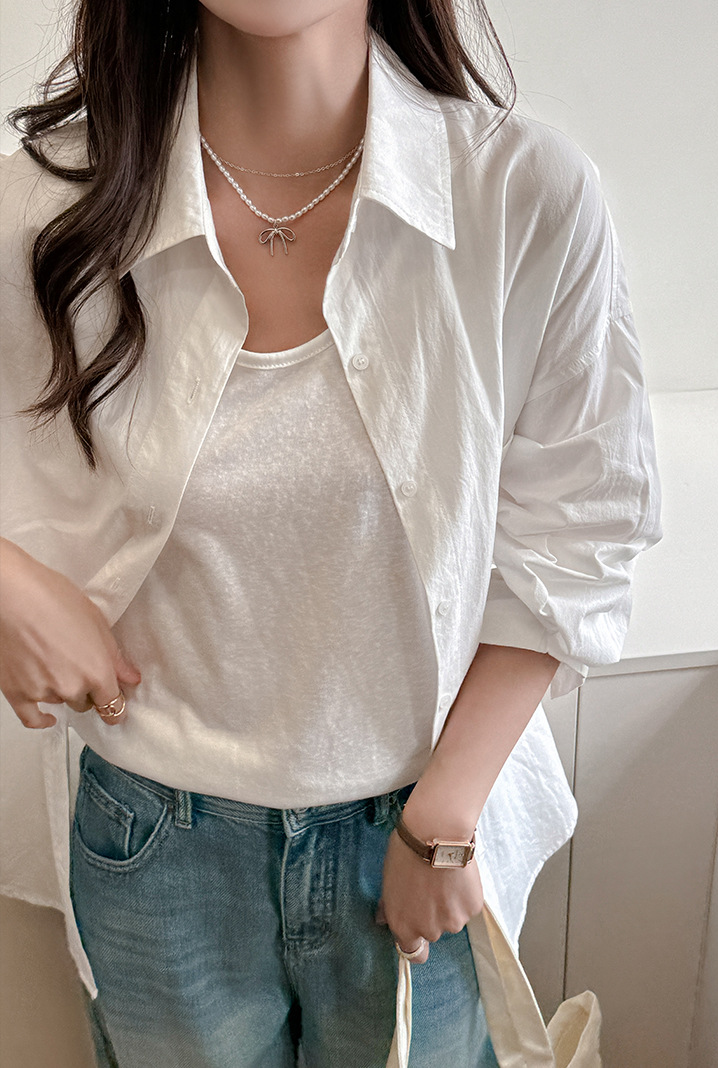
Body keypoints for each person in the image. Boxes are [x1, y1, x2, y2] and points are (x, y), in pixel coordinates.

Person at [0, 0, 663, 1065]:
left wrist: (443, 819)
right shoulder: (46, 208)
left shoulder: (522, 195)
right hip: (155, 850)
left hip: (421, 830)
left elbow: (576, 536)